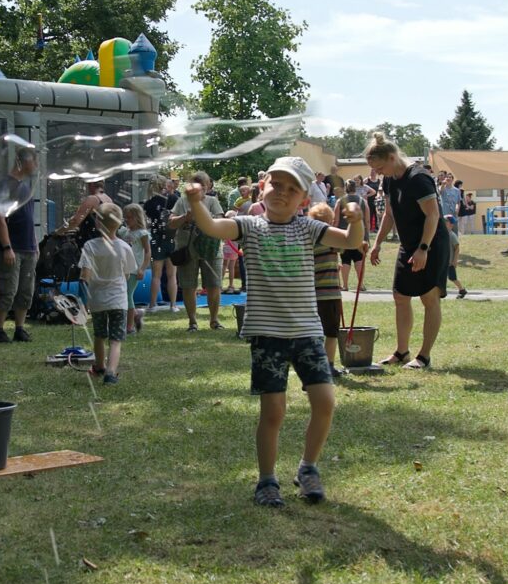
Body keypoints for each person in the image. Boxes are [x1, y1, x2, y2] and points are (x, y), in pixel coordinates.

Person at [185, 156, 364, 507]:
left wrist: (357, 221)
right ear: (262, 186)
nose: (281, 193)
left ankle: (308, 468)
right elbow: (212, 228)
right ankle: (266, 480)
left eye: (291, 188)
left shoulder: (308, 228)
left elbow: (349, 241)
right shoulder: (249, 225)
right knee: (274, 411)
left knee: (325, 402)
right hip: (268, 334)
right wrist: (194, 202)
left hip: (308, 331)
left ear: (304, 199)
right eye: (276, 185)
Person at [367, 132, 450, 370]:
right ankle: (402, 352)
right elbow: (389, 214)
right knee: (400, 296)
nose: (379, 173)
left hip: (432, 243)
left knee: (429, 297)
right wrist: (377, 243)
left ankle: (424, 356)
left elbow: (432, 215)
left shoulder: (419, 178)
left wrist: (423, 249)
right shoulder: (391, 179)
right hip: (409, 244)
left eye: (381, 167)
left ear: (392, 157)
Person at [79, 203, 135, 384]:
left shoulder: (89, 246)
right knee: (116, 339)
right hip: (118, 299)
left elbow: (85, 276)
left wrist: (82, 301)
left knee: (99, 335)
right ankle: (111, 372)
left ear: (97, 223)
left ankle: (99, 366)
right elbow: (127, 274)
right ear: (120, 224)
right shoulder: (124, 247)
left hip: (97, 300)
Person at [0, 145, 38, 344]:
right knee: (7, 288)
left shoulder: (26, 186)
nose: (36, 165)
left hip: (28, 247)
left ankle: (20, 328)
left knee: (26, 290)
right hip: (12, 248)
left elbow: (29, 219)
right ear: (23, 162)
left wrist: (35, 245)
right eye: (34, 161)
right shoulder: (4, 185)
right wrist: (7, 247)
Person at [169, 171, 225, 332]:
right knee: (188, 286)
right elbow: (171, 223)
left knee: (214, 285)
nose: (199, 189)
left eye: (203, 186)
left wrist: (202, 217)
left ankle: (214, 320)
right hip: (187, 249)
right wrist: (184, 218)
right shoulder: (182, 201)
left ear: (207, 187)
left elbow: (220, 221)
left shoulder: (212, 201)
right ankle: (192, 322)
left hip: (210, 248)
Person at [308, 202, 346, 378]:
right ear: (329, 222)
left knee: (314, 333)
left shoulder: (308, 243)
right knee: (331, 333)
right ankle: (328, 365)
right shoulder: (330, 241)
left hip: (310, 295)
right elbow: (347, 244)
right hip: (329, 294)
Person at [142, 175, 179, 313]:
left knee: (156, 275)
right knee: (172, 275)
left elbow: (147, 223)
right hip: (171, 238)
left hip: (156, 239)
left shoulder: (148, 203)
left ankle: (152, 305)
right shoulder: (173, 199)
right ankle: (173, 305)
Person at [118, 203, 151, 334]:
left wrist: (142, 268)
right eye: (125, 217)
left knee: (127, 294)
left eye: (130, 217)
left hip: (134, 268)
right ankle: (136, 314)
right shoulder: (125, 231)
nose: (127, 220)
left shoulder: (142, 233)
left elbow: (148, 252)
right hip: (123, 268)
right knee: (122, 295)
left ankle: (129, 326)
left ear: (137, 217)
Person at [333, 179, 368, 291]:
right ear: (355, 188)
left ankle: (345, 285)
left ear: (345, 188)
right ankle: (361, 285)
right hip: (359, 235)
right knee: (359, 259)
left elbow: (336, 220)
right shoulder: (363, 201)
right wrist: (366, 236)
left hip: (344, 235)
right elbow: (367, 221)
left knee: (345, 260)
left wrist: (334, 233)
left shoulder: (340, 201)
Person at [58, 180, 113, 247]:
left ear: (91, 184)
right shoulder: (109, 200)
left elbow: (75, 221)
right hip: (105, 242)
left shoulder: (92, 199)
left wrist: (59, 231)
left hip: (90, 242)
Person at [444, 215, 467, 298]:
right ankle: (441, 291)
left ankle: (462, 290)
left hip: (450, 262)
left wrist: (455, 261)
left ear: (451, 224)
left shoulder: (452, 235)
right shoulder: (444, 234)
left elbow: (457, 249)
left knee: (452, 278)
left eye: (445, 221)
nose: (443, 223)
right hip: (445, 261)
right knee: (442, 276)